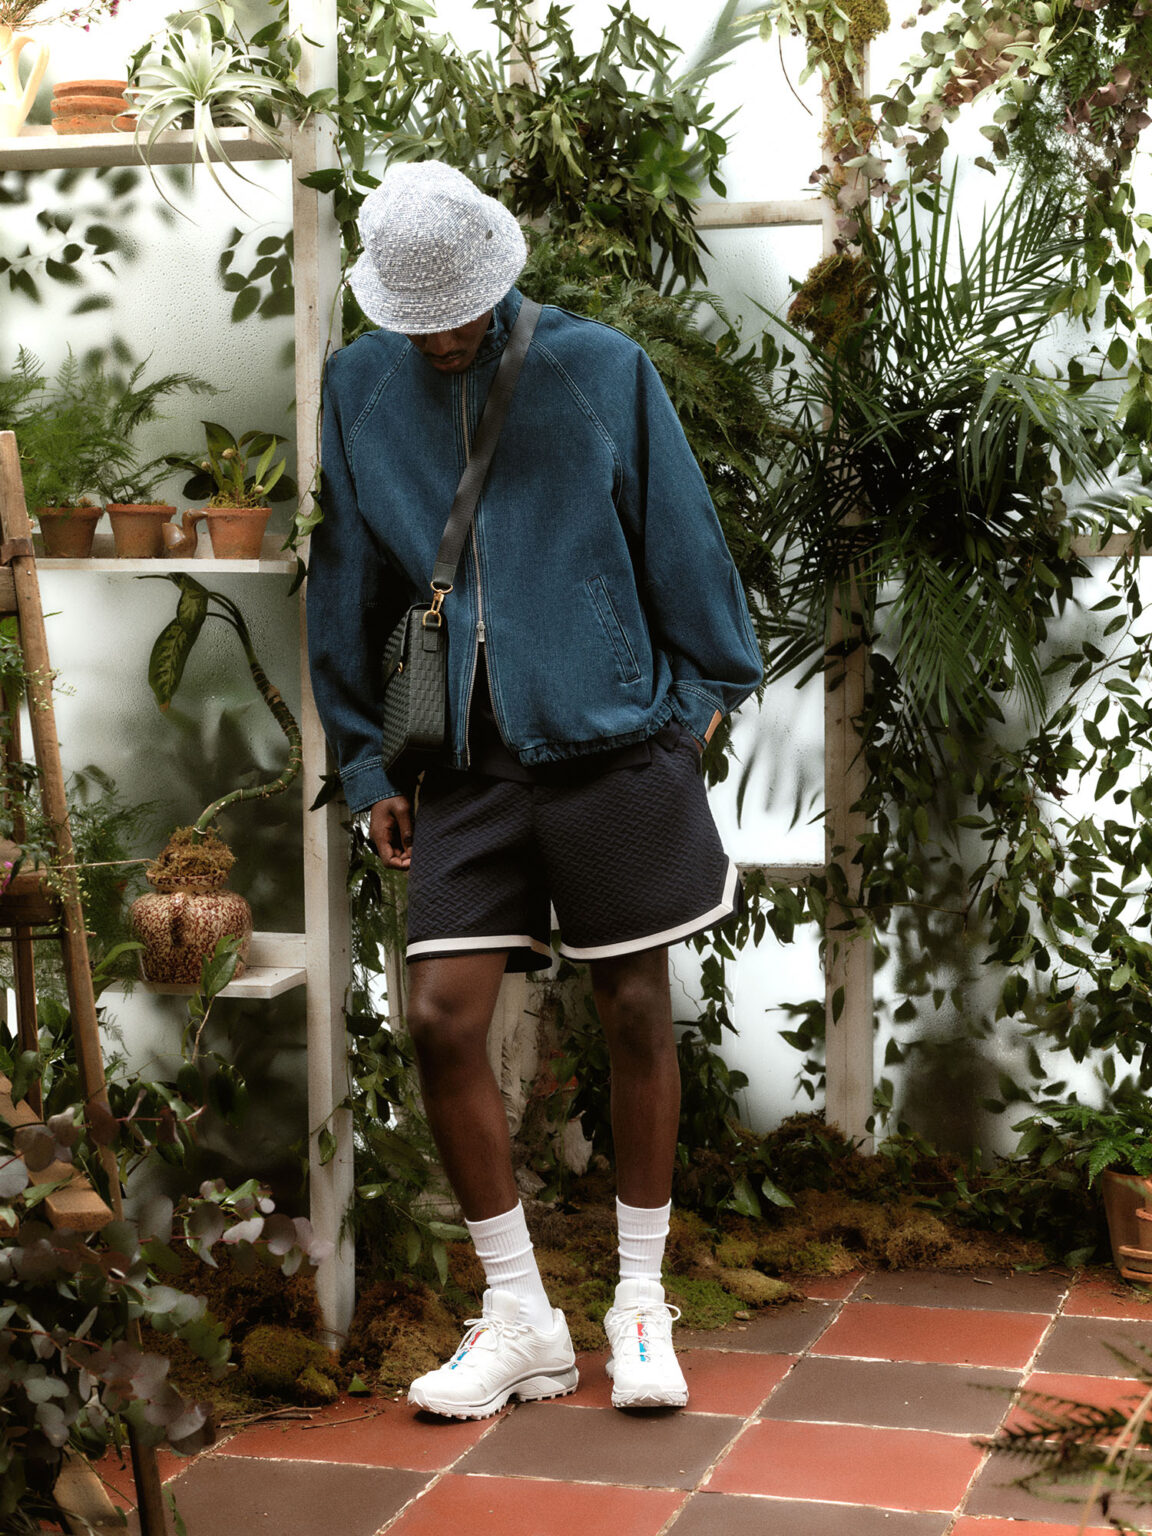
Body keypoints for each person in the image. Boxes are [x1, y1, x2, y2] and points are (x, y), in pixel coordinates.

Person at [306, 160, 763, 1420]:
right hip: (463, 760)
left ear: (496, 278)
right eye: (419, 321)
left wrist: (692, 704)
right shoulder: (359, 389)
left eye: (458, 313)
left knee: (635, 1010)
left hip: (611, 744)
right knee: (440, 1017)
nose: (443, 337)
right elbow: (348, 581)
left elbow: (681, 535)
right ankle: (520, 1317)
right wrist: (366, 761)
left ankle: (639, 1304)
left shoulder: (597, 367)